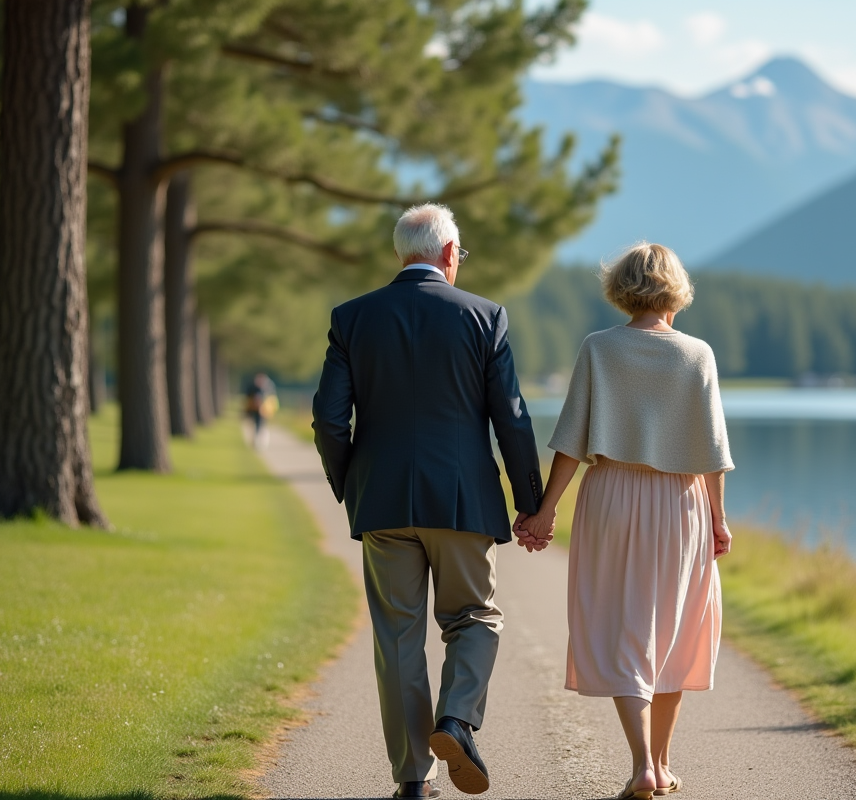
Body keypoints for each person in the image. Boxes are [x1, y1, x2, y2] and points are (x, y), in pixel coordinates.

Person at [312, 203, 546, 799]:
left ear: (402, 254)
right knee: (473, 617)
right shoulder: (485, 317)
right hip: (464, 503)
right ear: (448, 254)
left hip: (384, 505)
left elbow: (329, 421)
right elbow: (512, 421)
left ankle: (414, 779)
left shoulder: (352, 318)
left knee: (397, 639)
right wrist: (530, 501)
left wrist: (352, 487)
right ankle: (457, 720)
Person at [516, 242, 733, 800]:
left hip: (611, 495)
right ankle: (659, 764)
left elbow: (570, 440)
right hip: (681, 503)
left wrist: (545, 511)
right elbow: (712, 454)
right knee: (675, 630)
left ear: (621, 288)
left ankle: (644, 765)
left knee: (625, 627)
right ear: (676, 290)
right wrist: (719, 520)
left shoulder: (599, 349)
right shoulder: (698, 354)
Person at [243, 373, 278, 449]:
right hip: (254, 409)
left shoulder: (267, 388)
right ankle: (256, 440)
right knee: (255, 424)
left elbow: (271, 400)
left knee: (262, 425)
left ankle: (260, 441)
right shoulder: (253, 387)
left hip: (264, 410)